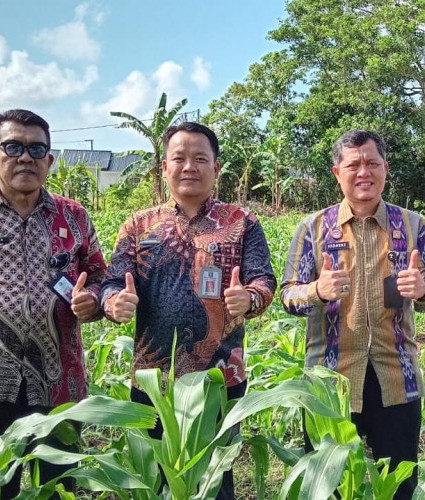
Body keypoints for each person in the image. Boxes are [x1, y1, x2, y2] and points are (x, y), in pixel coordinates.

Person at [101, 122, 276, 499]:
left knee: (216, 481)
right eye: (179, 158)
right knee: (153, 480)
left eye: (200, 158)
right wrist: (115, 301)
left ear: (216, 167)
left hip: (219, 379)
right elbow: (113, 282)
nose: (189, 167)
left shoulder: (242, 222)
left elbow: (264, 279)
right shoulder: (137, 225)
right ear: (164, 167)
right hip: (152, 379)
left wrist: (250, 297)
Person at [280, 129, 425, 498]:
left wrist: (422, 291)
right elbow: (288, 296)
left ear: (385, 168)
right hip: (330, 382)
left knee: (400, 486)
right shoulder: (313, 228)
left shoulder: (413, 225)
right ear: (337, 172)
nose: (363, 172)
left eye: (372, 163)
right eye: (353, 164)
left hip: (397, 379)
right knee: (331, 488)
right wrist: (317, 291)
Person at [0, 109, 106, 496]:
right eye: (12, 146)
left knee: (60, 485)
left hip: (60, 382)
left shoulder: (74, 215)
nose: (24, 157)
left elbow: (99, 276)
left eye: (35, 148)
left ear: (49, 160)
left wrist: (92, 299)